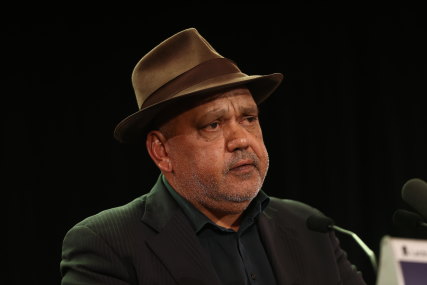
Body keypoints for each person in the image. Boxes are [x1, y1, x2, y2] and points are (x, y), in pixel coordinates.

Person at [60, 27, 367, 285]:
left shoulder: (307, 226)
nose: (241, 140)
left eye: (249, 118)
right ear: (161, 151)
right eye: (213, 124)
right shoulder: (107, 244)